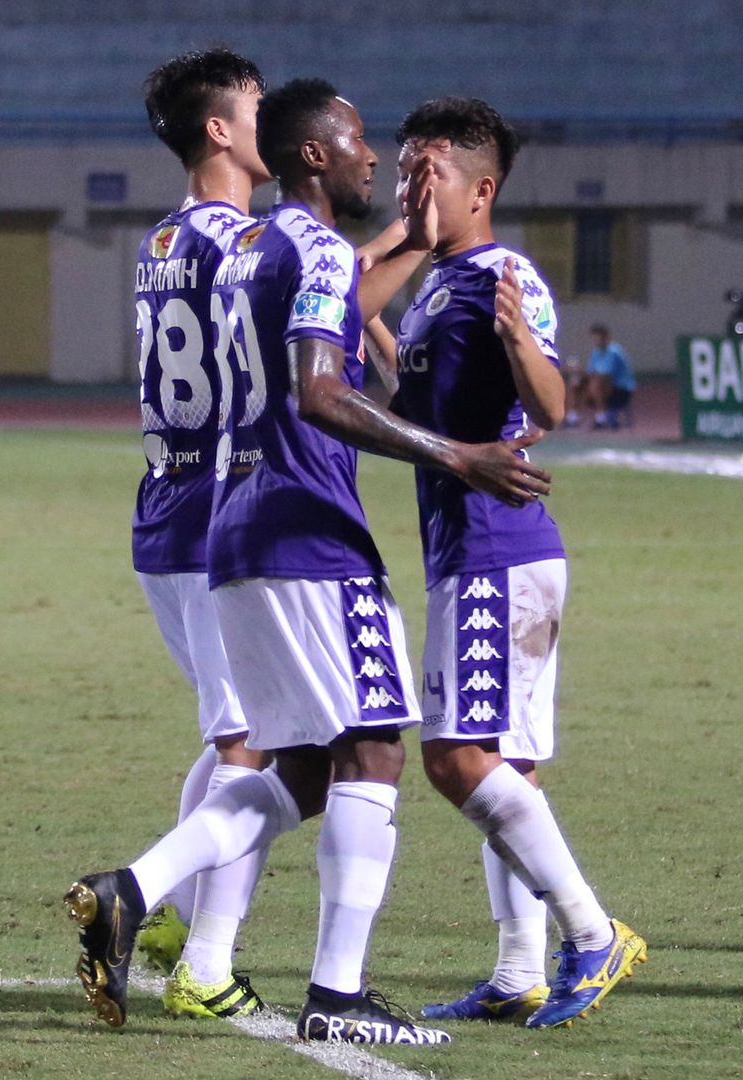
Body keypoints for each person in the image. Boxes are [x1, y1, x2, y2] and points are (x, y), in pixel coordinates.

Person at [64, 79, 552, 1044]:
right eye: (361, 140)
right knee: (372, 746)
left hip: (225, 523)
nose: (378, 158)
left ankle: (135, 889)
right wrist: (455, 452)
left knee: (294, 766)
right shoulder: (309, 244)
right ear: (316, 155)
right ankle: (336, 995)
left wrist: (405, 244)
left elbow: (326, 314)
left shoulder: (238, 247)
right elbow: (322, 388)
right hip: (307, 528)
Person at [379, 96, 645, 1029]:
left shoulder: (502, 272)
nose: (412, 185)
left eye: (430, 172)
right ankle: (517, 970)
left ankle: (590, 931)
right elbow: (414, 401)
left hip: (498, 547)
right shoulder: (432, 284)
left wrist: (525, 344)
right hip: (472, 548)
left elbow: (552, 404)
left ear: (480, 187)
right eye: (405, 167)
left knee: (453, 760)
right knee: (507, 766)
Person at [127, 47, 275, 1021]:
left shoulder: (159, 240)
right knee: (253, 746)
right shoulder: (244, 244)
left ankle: (174, 917)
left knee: (238, 729)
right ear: (218, 129)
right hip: (222, 513)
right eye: (259, 107)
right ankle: (201, 962)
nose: (277, 122)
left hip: (164, 508)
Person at [584, 324, 636, 429]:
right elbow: (590, 372)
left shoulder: (614, 352)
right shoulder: (596, 352)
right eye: (594, 338)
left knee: (598, 383)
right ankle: (572, 417)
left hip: (621, 390)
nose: (596, 341)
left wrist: (592, 386)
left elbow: (605, 375)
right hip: (602, 388)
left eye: (598, 338)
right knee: (576, 383)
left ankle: (600, 418)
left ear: (606, 338)